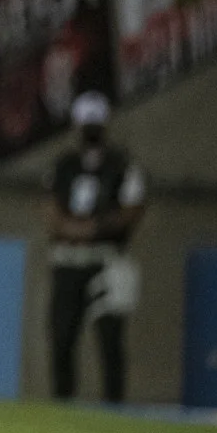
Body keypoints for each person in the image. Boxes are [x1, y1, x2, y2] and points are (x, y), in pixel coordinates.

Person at [46, 91, 146, 403]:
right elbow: (49, 207)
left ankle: (114, 405)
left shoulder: (121, 165)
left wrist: (94, 228)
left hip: (106, 262)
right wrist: (69, 228)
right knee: (61, 337)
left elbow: (132, 208)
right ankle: (63, 403)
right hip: (69, 261)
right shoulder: (64, 165)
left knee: (110, 339)